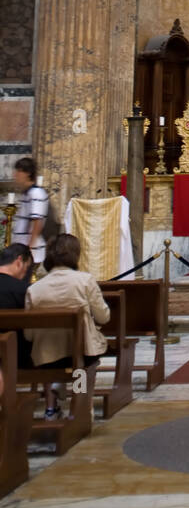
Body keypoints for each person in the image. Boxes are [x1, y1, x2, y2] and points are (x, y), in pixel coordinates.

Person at [24, 233, 110, 420]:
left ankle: (50, 408)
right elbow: (103, 317)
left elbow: (29, 334)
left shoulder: (34, 289)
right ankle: (80, 404)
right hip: (80, 353)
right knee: (85, 365)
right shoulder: (85, 281)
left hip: (48, 356)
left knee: (47, 358)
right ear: (75, 255)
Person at [0, 242, 34, 370]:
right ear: (19, 261)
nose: (26, 274)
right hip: (16, 357)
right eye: (27, 268)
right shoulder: (24, 290)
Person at [11, 157, 49, 268]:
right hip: (20, 247)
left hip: (29, 250)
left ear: (27, 173)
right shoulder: (26, 193)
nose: (15, 175)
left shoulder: (36, 193)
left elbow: (37, 221)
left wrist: (30, 248)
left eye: (19, 171)